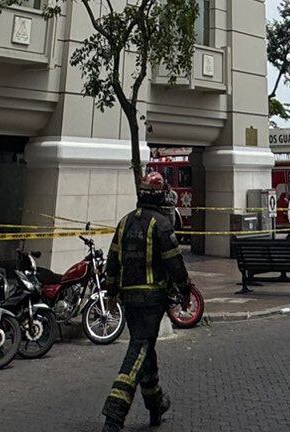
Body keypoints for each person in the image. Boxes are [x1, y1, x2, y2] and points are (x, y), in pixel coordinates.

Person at [102, 171, 191, 432]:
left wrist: (111, 291)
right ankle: (114, 414)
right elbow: (175, 262)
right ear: (160, 195)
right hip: (152, 299)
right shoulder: (161, 224)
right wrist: (185, 288)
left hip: (130, 298)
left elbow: (112, 259)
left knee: (146, 349)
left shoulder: (124, 222)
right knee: (139, 349)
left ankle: (156, 404)